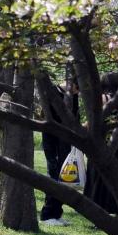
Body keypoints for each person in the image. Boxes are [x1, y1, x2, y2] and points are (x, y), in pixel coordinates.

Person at [84, 72, 118, 215]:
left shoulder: (103, 99)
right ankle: (117, 207)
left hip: (102, 144)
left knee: (99, 177)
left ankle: (97, 208)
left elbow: (94, 122)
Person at [40, 79, 79, 226]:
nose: (78, 93)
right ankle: (47, 214)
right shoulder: (53, 93)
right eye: (77, 89)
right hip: (53, 141)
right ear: (73, 84)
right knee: (55, 175)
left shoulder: (72, 95)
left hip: (66, 141)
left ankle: (56, 213)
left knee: (65, 177)